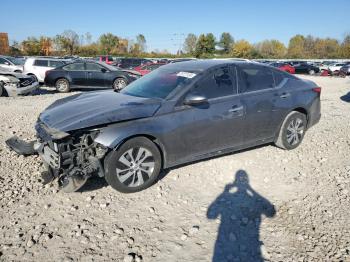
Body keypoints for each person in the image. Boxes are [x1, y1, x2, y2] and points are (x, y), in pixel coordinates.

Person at [207, 170, 276, 262]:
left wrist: (224, 192)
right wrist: (251, 189)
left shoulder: (229, 196)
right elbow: (271, 212)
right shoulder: (251, 198)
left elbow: (211, 215)